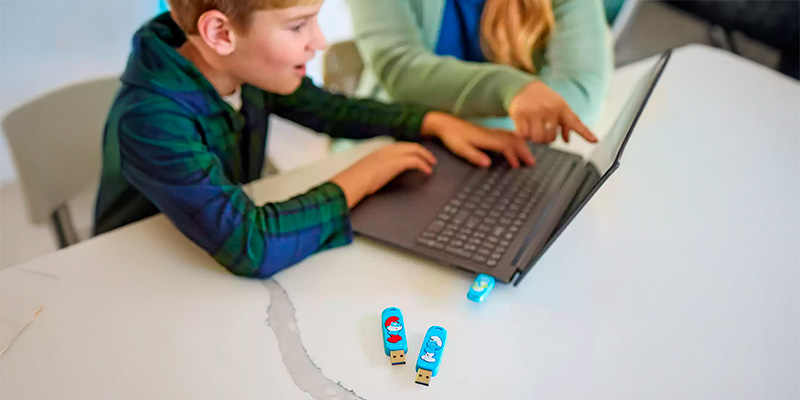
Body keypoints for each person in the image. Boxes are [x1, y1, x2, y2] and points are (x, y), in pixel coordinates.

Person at [93, 0, 539, 278]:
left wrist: (433, 122)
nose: (320, 41)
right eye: (298, 26)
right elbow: (253, 246)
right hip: (141, 274)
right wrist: (366, 174)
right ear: (220, 33)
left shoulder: (242, 67)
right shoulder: (149, 120)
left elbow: (332, 111)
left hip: (204, 248)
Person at [347, 0, 613, 142]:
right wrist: (513, 92)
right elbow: (401, 69)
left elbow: (582, 94)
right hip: (393, 140)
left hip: (504, 152)